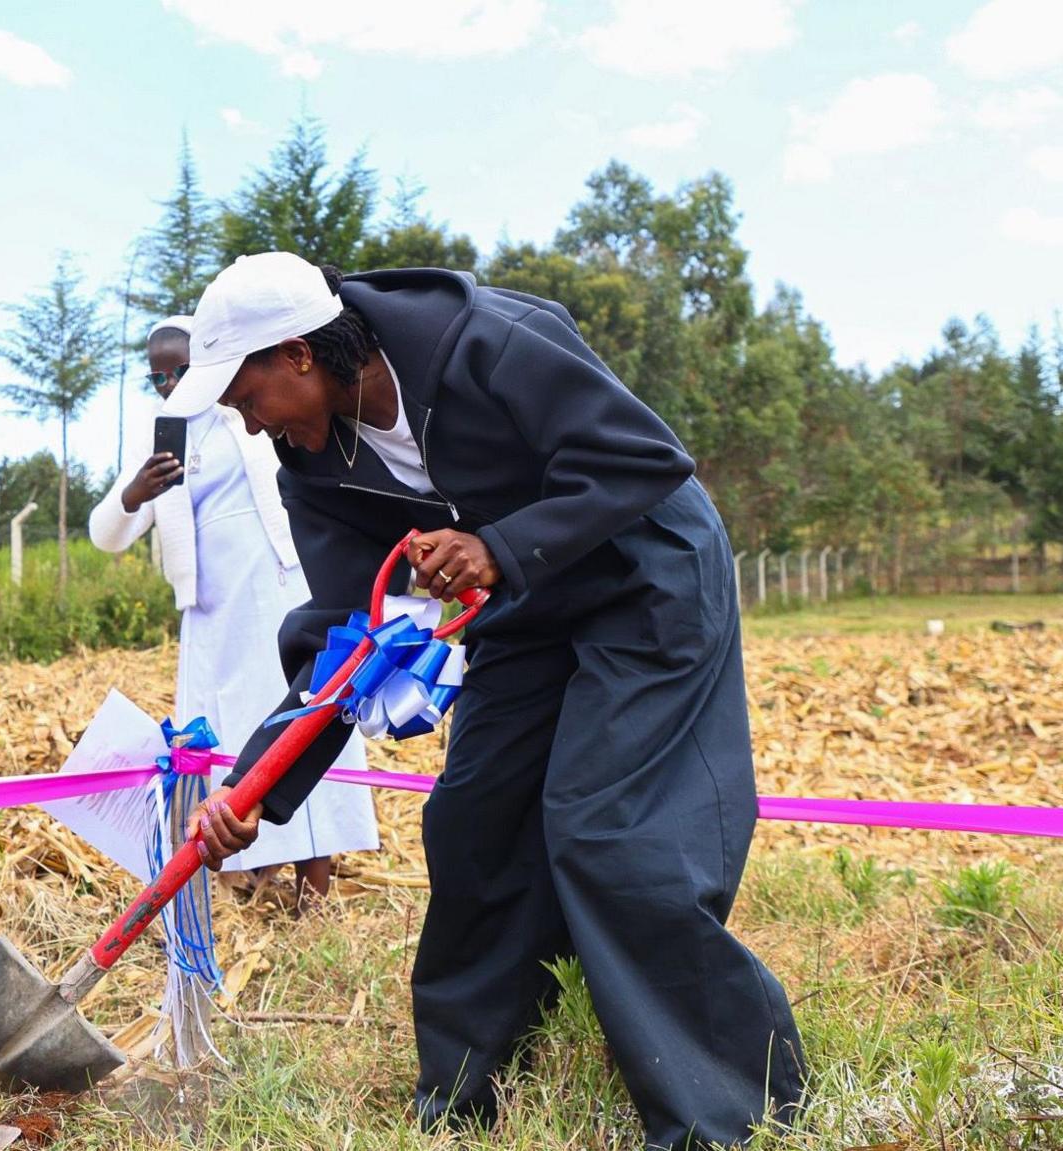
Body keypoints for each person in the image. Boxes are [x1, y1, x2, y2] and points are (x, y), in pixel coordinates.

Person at [179, 253, 804, 1148]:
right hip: (524, 608)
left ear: (297, 355)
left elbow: (645, 457)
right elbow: (345, 637)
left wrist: (499, 547)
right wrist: (256, 789)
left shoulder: (488, 343)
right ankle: (468, 1098)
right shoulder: (309, 465)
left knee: (606, 832)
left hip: (644, 575)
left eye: (245, 397)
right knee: (474, 821)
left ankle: (739, 1105)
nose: (246, 421)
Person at [91, 316, 377, 908]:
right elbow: (106, 533)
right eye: (158, 376)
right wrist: (133, 495)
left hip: (281, 593)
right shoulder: (163, 433)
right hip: (214, 612)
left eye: (183, 370)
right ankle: (238, 879)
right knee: (227, 739)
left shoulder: (253, 412)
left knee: (299, 724)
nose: (170, 384)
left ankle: (314, 888)